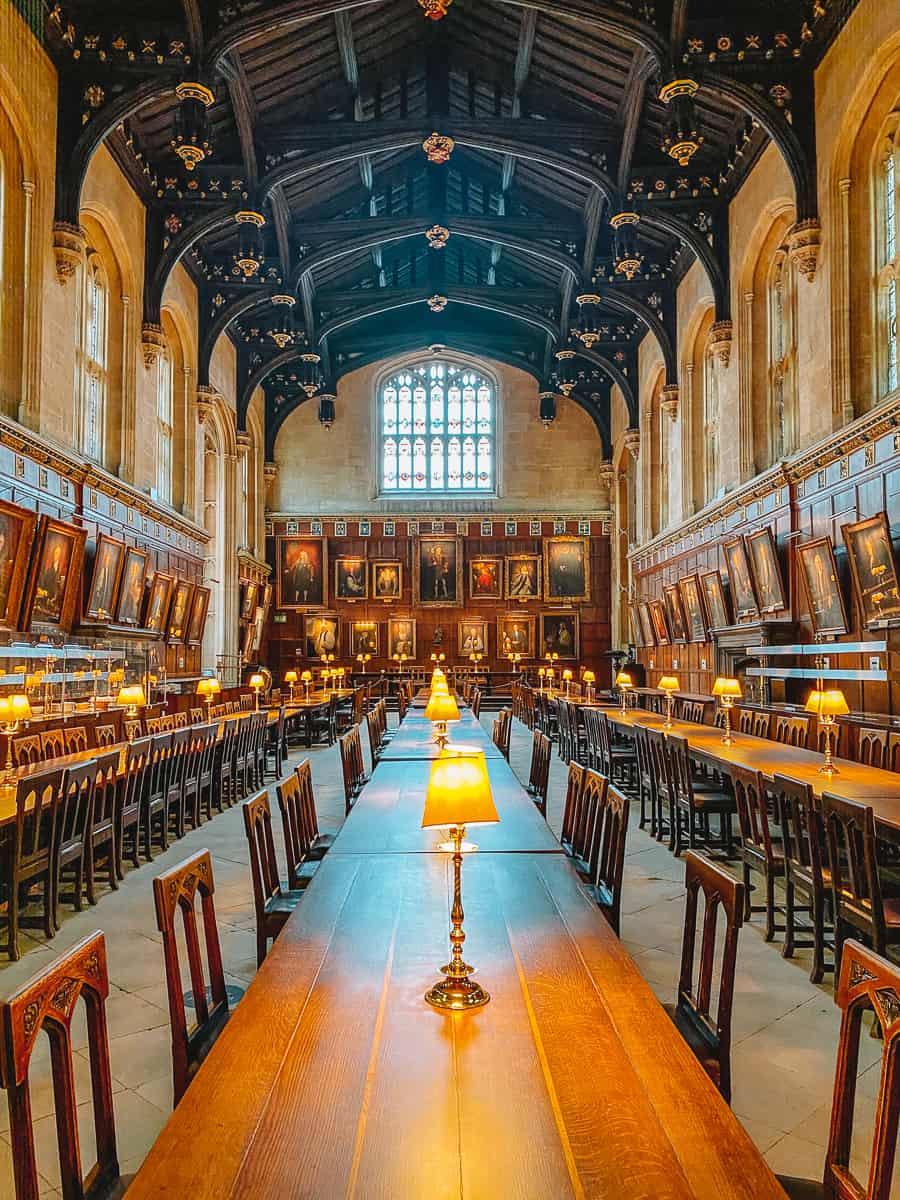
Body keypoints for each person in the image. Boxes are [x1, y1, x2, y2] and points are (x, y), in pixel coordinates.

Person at [35, 540, 67, 620]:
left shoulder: (63, 569)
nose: (56, 555)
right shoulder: (50, 569)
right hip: (46, 602)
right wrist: (42, 591)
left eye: (58, 553)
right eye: (55, 553)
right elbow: (44, 583)